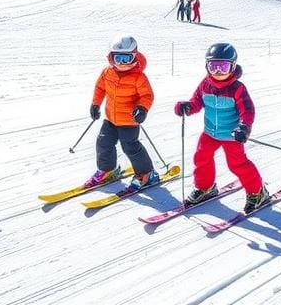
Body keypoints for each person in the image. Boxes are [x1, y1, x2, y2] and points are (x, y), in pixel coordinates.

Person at [174, 43, 270, 214]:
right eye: (214, 66)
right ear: (207, 66)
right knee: (201, 157)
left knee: (237, 164)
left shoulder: (237, 89)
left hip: (231, 135)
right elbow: (196, 102)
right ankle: (206, 187)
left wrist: (244, 127)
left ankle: (257, 192)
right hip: (210, 132)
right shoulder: (205, 84)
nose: (218, 71)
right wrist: (187, 107)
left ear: (232, 67)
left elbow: (247, 111)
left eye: (223, 67)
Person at [86, 36, 157, 190]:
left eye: (127, 58)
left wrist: (142, 109)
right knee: (103, 142)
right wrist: (95, 104)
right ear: (111, 57)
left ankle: (146, 173)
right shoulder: (107, 72)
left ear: (135, 56)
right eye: (118, 58)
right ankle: (108, 170)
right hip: (111, 118)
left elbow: (147, 95)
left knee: (130, 147)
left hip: (129, 121)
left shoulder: (139, 77)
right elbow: (100, 88)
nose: (122, 63)